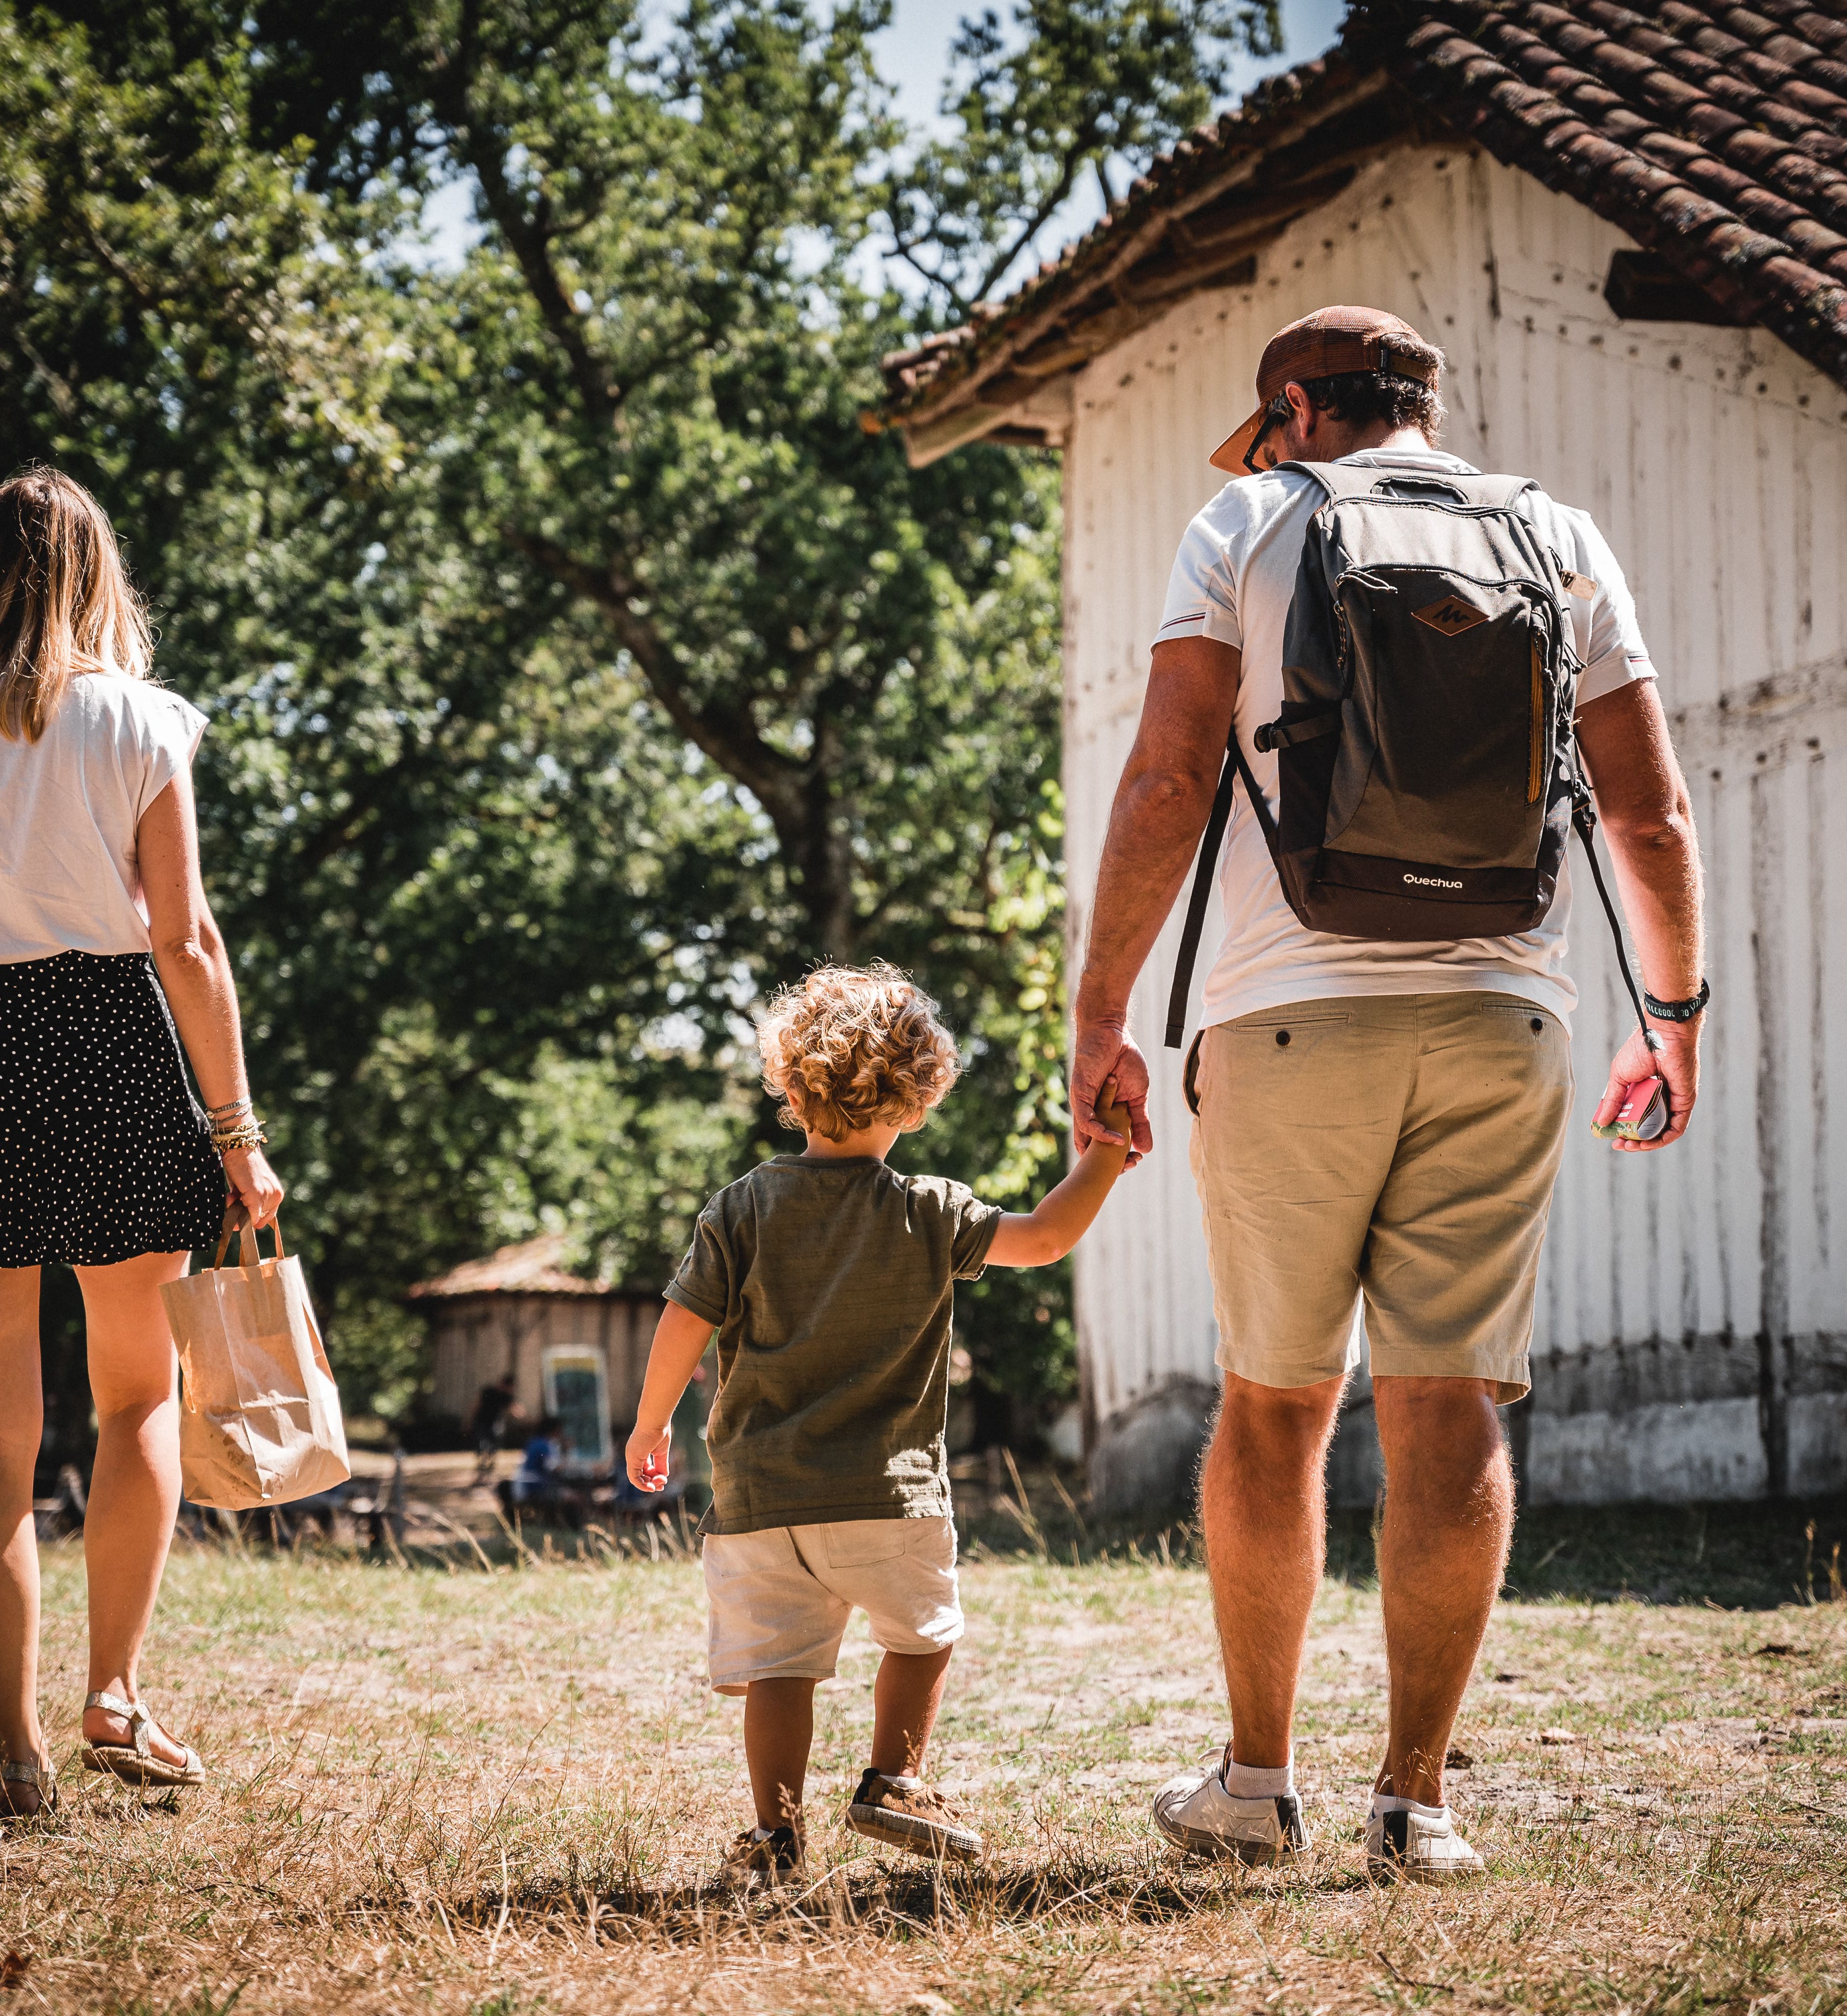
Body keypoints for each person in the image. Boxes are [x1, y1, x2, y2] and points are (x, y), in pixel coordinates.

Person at [1069, 308, 1707, 1880]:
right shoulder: (1553, 534)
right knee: (1452, 1403)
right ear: (1424, 406)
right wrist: (1674, 1013)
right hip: (1508, 1018)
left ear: (1294, 409)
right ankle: (1417, 1804)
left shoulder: (1245, 520)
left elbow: (1165, 782)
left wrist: (1100, 1011)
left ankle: (1257, 1780)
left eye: (1270, 423)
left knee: (1277, 1407)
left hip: (1290, 1020)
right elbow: (1650, 804)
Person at [0, 467, 284, 1821]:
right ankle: (114, 1697)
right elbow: (185, 943)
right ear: (99, 578)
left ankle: (14, 1754)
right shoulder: (141, 722)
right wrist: (238, 1131)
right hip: (113, 1052)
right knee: (137, 1403)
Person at [624, 963, 1128, 1886]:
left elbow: (681, 1320)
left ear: (790, 1083)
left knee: (779, 1665)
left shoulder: (741, 1206)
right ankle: (894, 1777)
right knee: (920, 1633)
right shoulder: (929, 1209)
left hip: (760, 1497)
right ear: (922, 1093)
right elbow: (1046, 1237)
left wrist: (649, 1424)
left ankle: (775, 1834)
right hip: (888, 1493)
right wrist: (1103, 1153)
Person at [469, 1374, 518, 1481]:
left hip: (494, 1424)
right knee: (481, 1443)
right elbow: (477, 1405)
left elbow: (513, 1408)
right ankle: (482, 1462)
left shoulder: (506, 1396)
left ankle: (489, 1463)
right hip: (482, 1421)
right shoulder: (489, 1391)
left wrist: (523, 1415)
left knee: (495, 1442)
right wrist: (470, 1420)